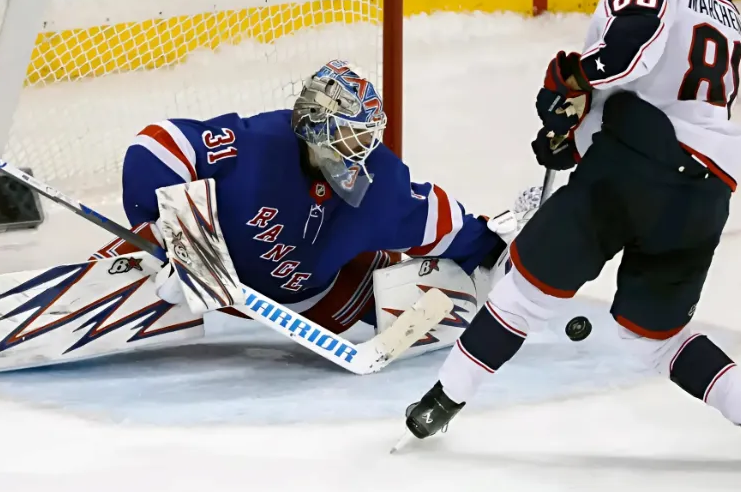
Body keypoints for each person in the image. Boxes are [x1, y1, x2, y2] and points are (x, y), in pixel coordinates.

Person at [399, 0, 741, 458]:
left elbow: (627, 59)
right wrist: (568, 135)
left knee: (524, 294)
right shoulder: (729, 14)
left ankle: (439, 404)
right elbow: (640, 94)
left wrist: (574, 78)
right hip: (706, 192)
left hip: (638, 166)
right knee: (654, 334)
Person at [111, 58, 533, 339]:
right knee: (138, 255)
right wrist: (164, 234)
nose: (360, 151)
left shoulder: (379, 182)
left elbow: (433, 218)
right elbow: (158, 144)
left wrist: (491, 251)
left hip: (319, 302)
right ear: (314, 128)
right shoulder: (257, 145)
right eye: (349, 135)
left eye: (366, 137)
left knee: (409, 290)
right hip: (216, 282)